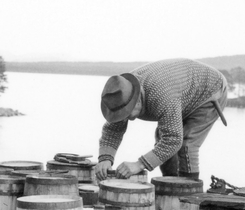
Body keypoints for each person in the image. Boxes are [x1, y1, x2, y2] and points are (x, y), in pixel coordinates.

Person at [96, 58, 228, 181]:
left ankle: (188, 195)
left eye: (127, 113)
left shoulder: (161, 95)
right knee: (162, 140)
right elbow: (113, 129)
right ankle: (170, 187)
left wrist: (139, 164)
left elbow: (173, 139)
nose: (126, 119)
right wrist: (105, 159)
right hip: (181, 91)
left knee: (186, 145)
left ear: (137, 100)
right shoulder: (123, 89)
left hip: (209, 90)